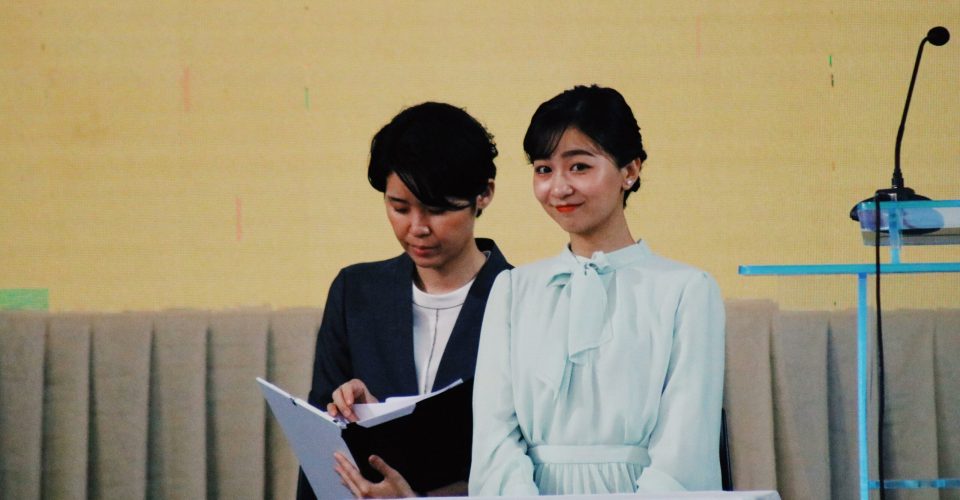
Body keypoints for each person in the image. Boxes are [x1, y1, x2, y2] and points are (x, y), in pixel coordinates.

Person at [468, 85, 725, 495]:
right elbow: (494, 439)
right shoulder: (513, 290)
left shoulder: (687, 291)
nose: (559, 188)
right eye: (543, 169)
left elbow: (685, 446)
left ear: (631, 170)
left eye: (579, 167)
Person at [297, 101, 512, 499]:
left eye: (436, 210)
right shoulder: (355, 292)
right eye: (399, 207)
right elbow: (320, 445)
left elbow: (532, 457)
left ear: (483, 194)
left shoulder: (520, 299)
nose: (416, 228)